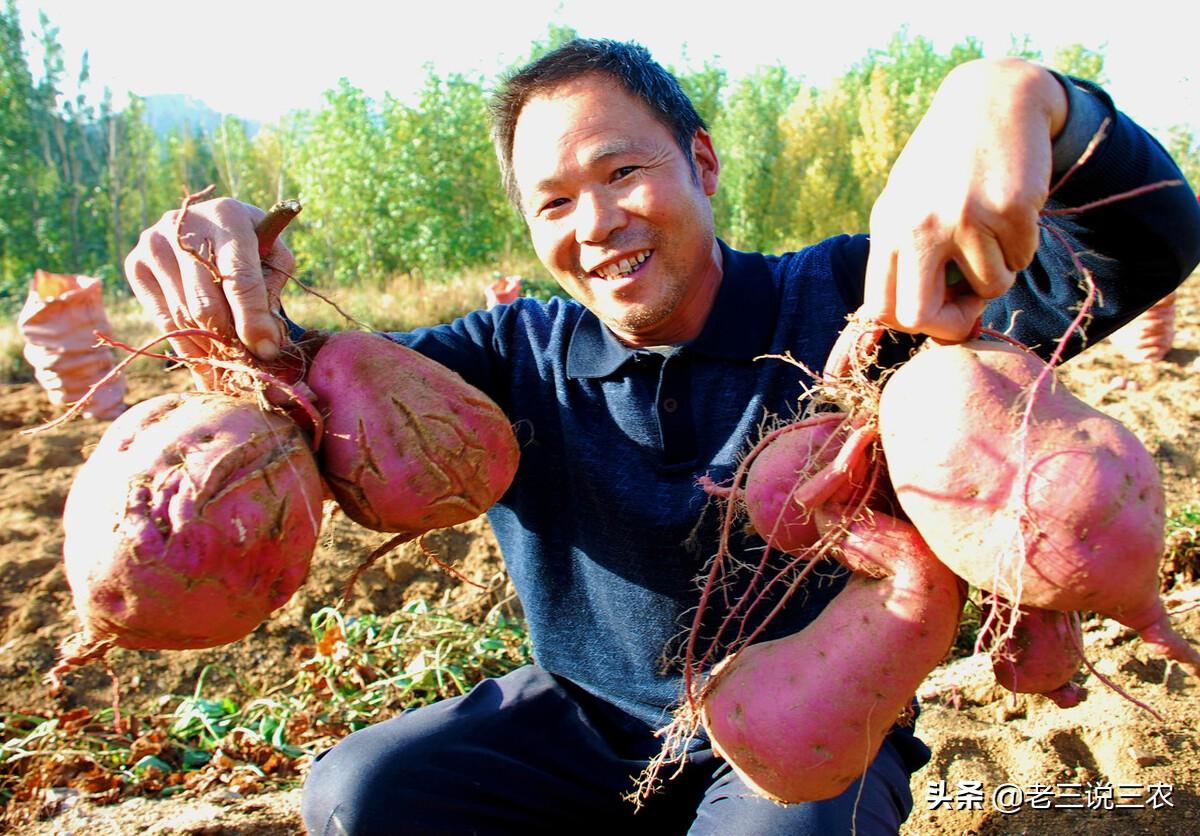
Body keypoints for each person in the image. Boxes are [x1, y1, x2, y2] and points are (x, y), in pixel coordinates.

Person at [124, 39, 1200, 835]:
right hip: (585, 728)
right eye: (552, 203)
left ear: (703, 162)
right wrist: (233, 309)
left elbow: (1145, 241)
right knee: (363, 791)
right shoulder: (507, 355)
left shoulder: (857, 301)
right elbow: (328, 395)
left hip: (809, 717)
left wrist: (1015, 95)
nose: (593, 224)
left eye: (621, 172)